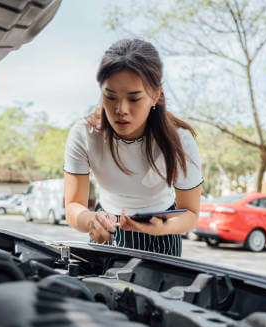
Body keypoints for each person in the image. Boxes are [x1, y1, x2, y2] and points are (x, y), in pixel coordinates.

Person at [63, 39, 202, 257]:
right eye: (110, 97)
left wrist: (163, 227)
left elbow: (191, 213)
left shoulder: (180, 141)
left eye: (134, 98)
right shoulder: (84, 134)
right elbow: (72, 206)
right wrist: (90, 221)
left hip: (162, 233)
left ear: (156, 95)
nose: (121, 110)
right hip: (107, 225)